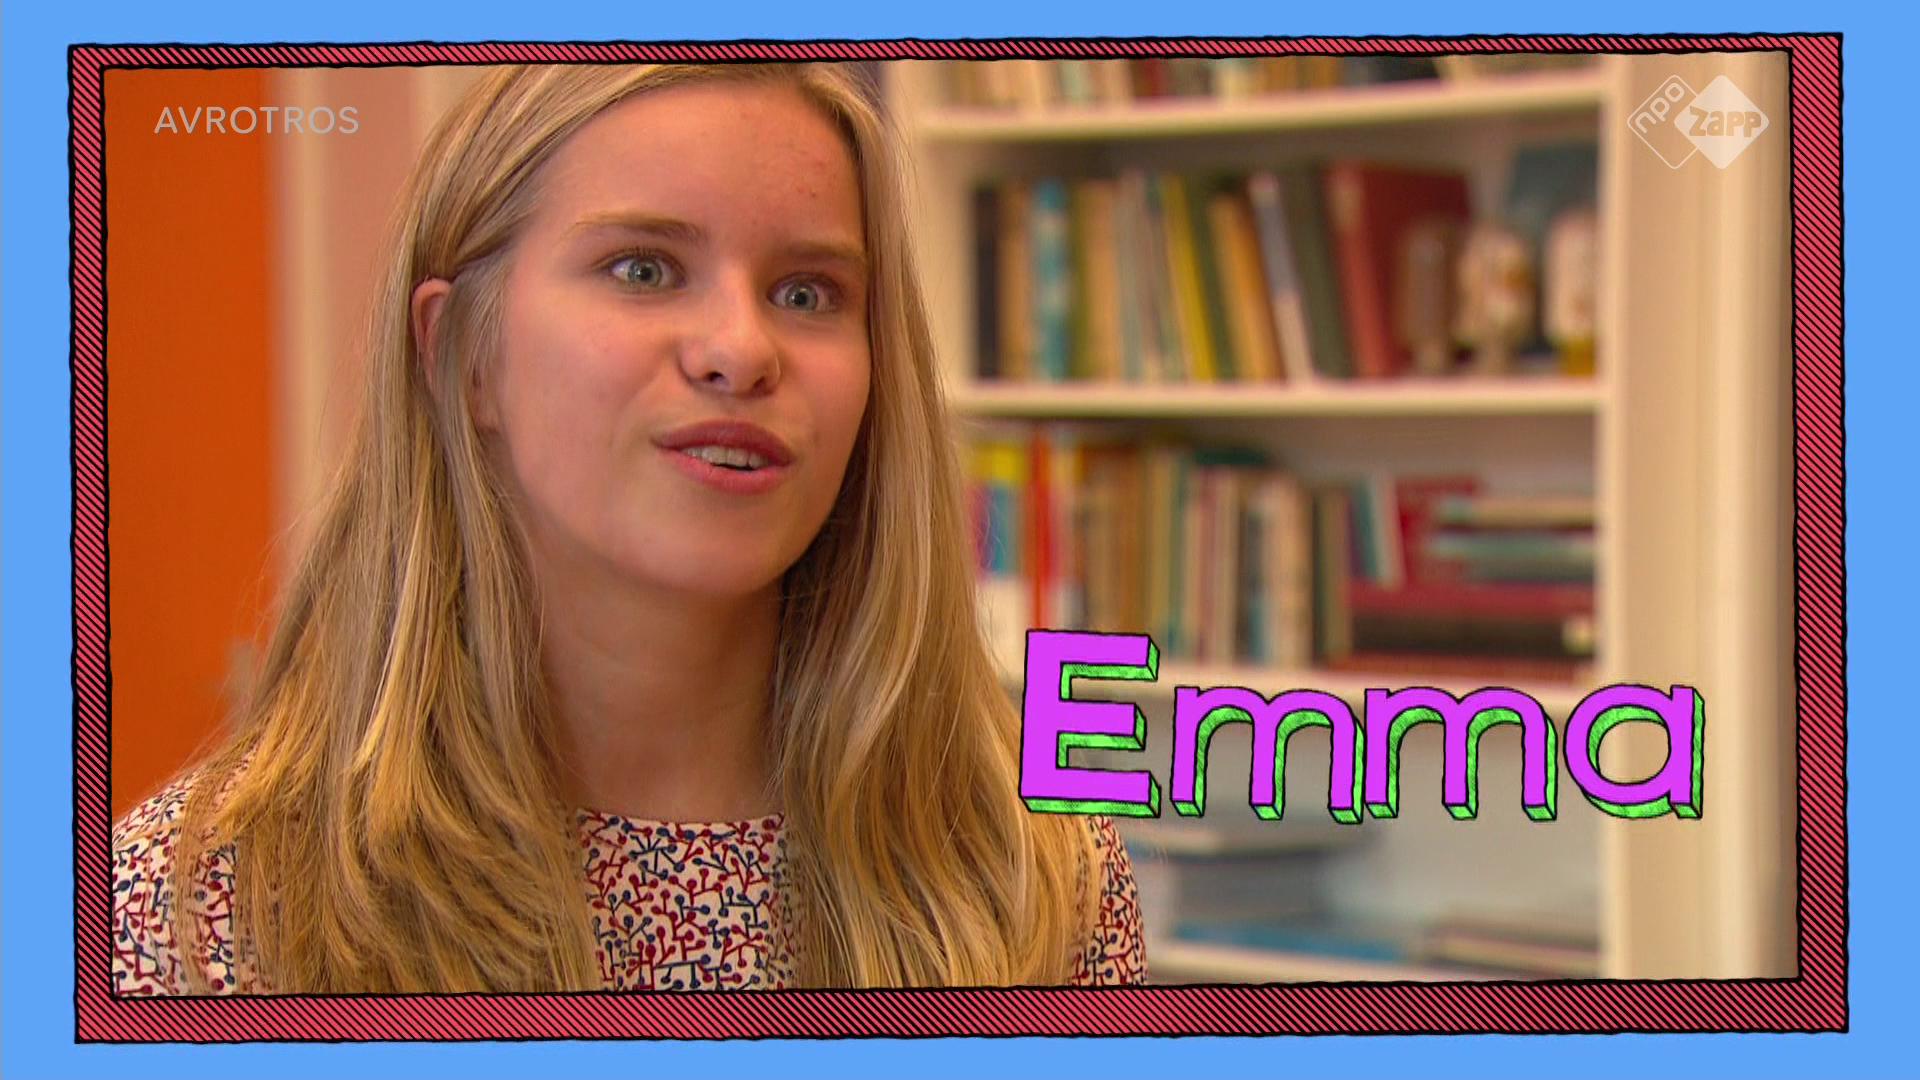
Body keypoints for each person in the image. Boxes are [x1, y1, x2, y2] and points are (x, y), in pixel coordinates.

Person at [110, 62, 1144, 995]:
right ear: (463, 354)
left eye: (807, 291)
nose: (741, 349)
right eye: (644, 269)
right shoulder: (202, 913)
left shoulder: (1030, 880)